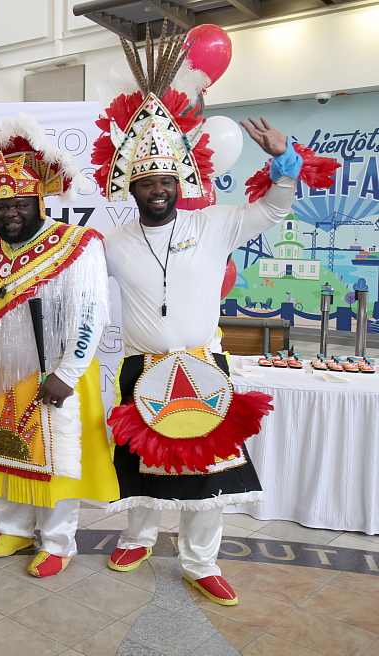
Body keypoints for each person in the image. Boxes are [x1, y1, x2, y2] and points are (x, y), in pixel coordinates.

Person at [94, 30, 336, 605]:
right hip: (140, 364)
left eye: (165, 180)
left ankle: (201, 560)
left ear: (179, 183)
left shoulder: (215, 224)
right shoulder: (113, 241)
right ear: (131, 186)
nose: (157, 189)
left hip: (204, 364)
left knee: (207, 469)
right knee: (142, 460)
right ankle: (138, 537)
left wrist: (283, 161)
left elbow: (274, 209)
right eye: (146, 181)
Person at [0, 114, 120, 576]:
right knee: (4, 450)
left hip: (53, 374)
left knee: (54, 458)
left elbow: (90, 314)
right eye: (2, 206)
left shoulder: (76, 244)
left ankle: (58, 543)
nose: (10, 214)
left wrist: (68, 373)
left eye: (20, 204)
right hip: (0, 375)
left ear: (39, 201)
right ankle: (15, 529)